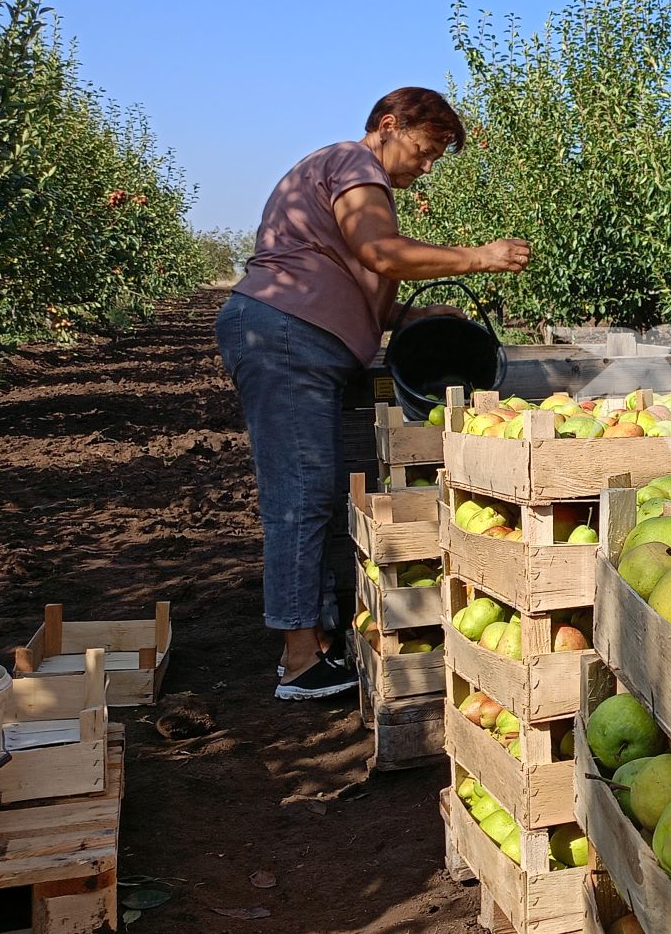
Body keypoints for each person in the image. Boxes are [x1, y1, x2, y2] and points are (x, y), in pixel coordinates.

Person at [217, 88, 531, 700]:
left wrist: (411, 317)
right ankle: (300, 663)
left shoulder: (341, 174)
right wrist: (478, 258)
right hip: (285, 339)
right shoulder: (356, 166)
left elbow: (351, 280)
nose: (427, 166)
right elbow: (378, 252)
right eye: (424, 149)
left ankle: (320, 641)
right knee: (301, 494)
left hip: (294, 336)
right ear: (388, 126)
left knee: (315, 489)